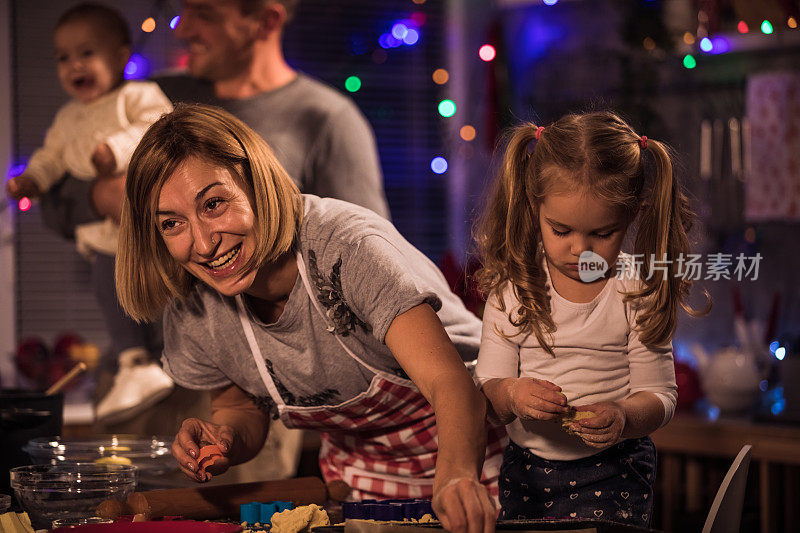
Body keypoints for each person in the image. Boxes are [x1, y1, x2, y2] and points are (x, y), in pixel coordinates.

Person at [115, 104, 504, 532]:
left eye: (214, 204)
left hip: (481, 454)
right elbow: (238, 406)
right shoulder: (194, 306)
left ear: (255, 182)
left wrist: (455, 477)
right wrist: (224, 438)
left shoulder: (346, 247)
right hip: (362, 484)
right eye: (172, 223)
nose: (204, 244)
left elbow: (449, 382)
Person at [473, 112, 708, 526]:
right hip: (526, 471)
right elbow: (488, 391)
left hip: (615, 468)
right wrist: (512, 394)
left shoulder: (636, 291)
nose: (580, 250)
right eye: (560, 230)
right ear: (534, 207)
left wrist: (624, 415)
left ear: (631, 216)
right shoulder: (514, 289)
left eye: (602, 234)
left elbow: (661, 397)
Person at [41, 0, 390, 239]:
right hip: (147, 340)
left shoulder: (326, 119)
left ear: (266, 22)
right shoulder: (152, 98)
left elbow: (366, 246)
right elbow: (53, 207)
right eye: (185, 9)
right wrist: (104, 196)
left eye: (205, 14)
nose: (183, 28)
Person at [5, 3, 175, 423]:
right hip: (104, 237)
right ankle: (134, 364)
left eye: (86, 53)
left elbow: (162, 127)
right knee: (109, 292)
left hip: (147, 234)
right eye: (63, 57)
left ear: (120, 56)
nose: (73, 65)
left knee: (162, 299)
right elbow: (51, 157)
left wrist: (115, 151)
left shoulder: (137, 95)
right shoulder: (68, 118)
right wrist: (34, 180)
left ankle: (163, 360)